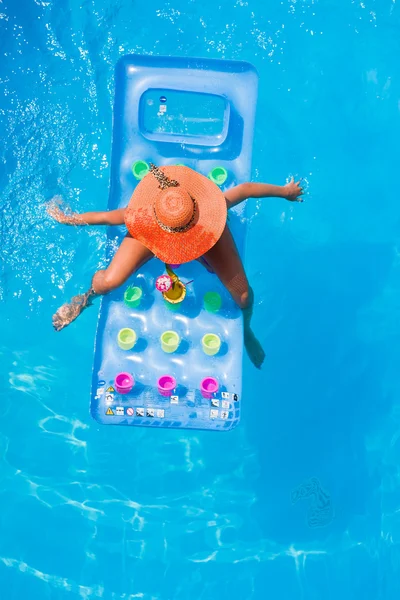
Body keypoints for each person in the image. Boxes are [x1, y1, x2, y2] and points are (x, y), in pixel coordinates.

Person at [48, 164, 303, 368]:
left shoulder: (212, 209)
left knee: (244, 296)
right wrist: (69, 219)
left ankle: (246, 331)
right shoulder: (144, 216)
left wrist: (285, 192)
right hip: (153, 232)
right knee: (108, 283)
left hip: (209, 237)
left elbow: (246, 189)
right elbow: (104, 217)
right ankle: (83, 299)